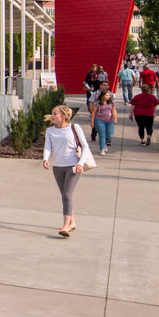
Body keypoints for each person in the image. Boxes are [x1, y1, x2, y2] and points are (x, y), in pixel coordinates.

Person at [42, 105, 92, 237]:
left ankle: (65, 226)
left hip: (73, 166)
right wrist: (45, 159)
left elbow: (85, 146)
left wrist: (80, 163)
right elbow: (48, 146)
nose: (52, 116)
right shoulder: (50, 131)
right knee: (65, 195)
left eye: (55, 114)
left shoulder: (74, 128)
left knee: (67, 194)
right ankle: (73, 222)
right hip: (58, 166)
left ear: (64, 116)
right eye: (52, 113)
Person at [88, 90, 117, 155]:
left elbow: (114, 111)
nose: (108, 96)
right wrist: (92, 122)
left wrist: (115, 118)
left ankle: (105, 144)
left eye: (109, 95)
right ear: (103, 96)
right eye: (107, 95)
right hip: (99, 120)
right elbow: (93, 113)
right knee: (102, 135)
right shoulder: (97, 103)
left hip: (110, 120)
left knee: (110, 135)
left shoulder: (111, 103)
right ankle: (102, 149)